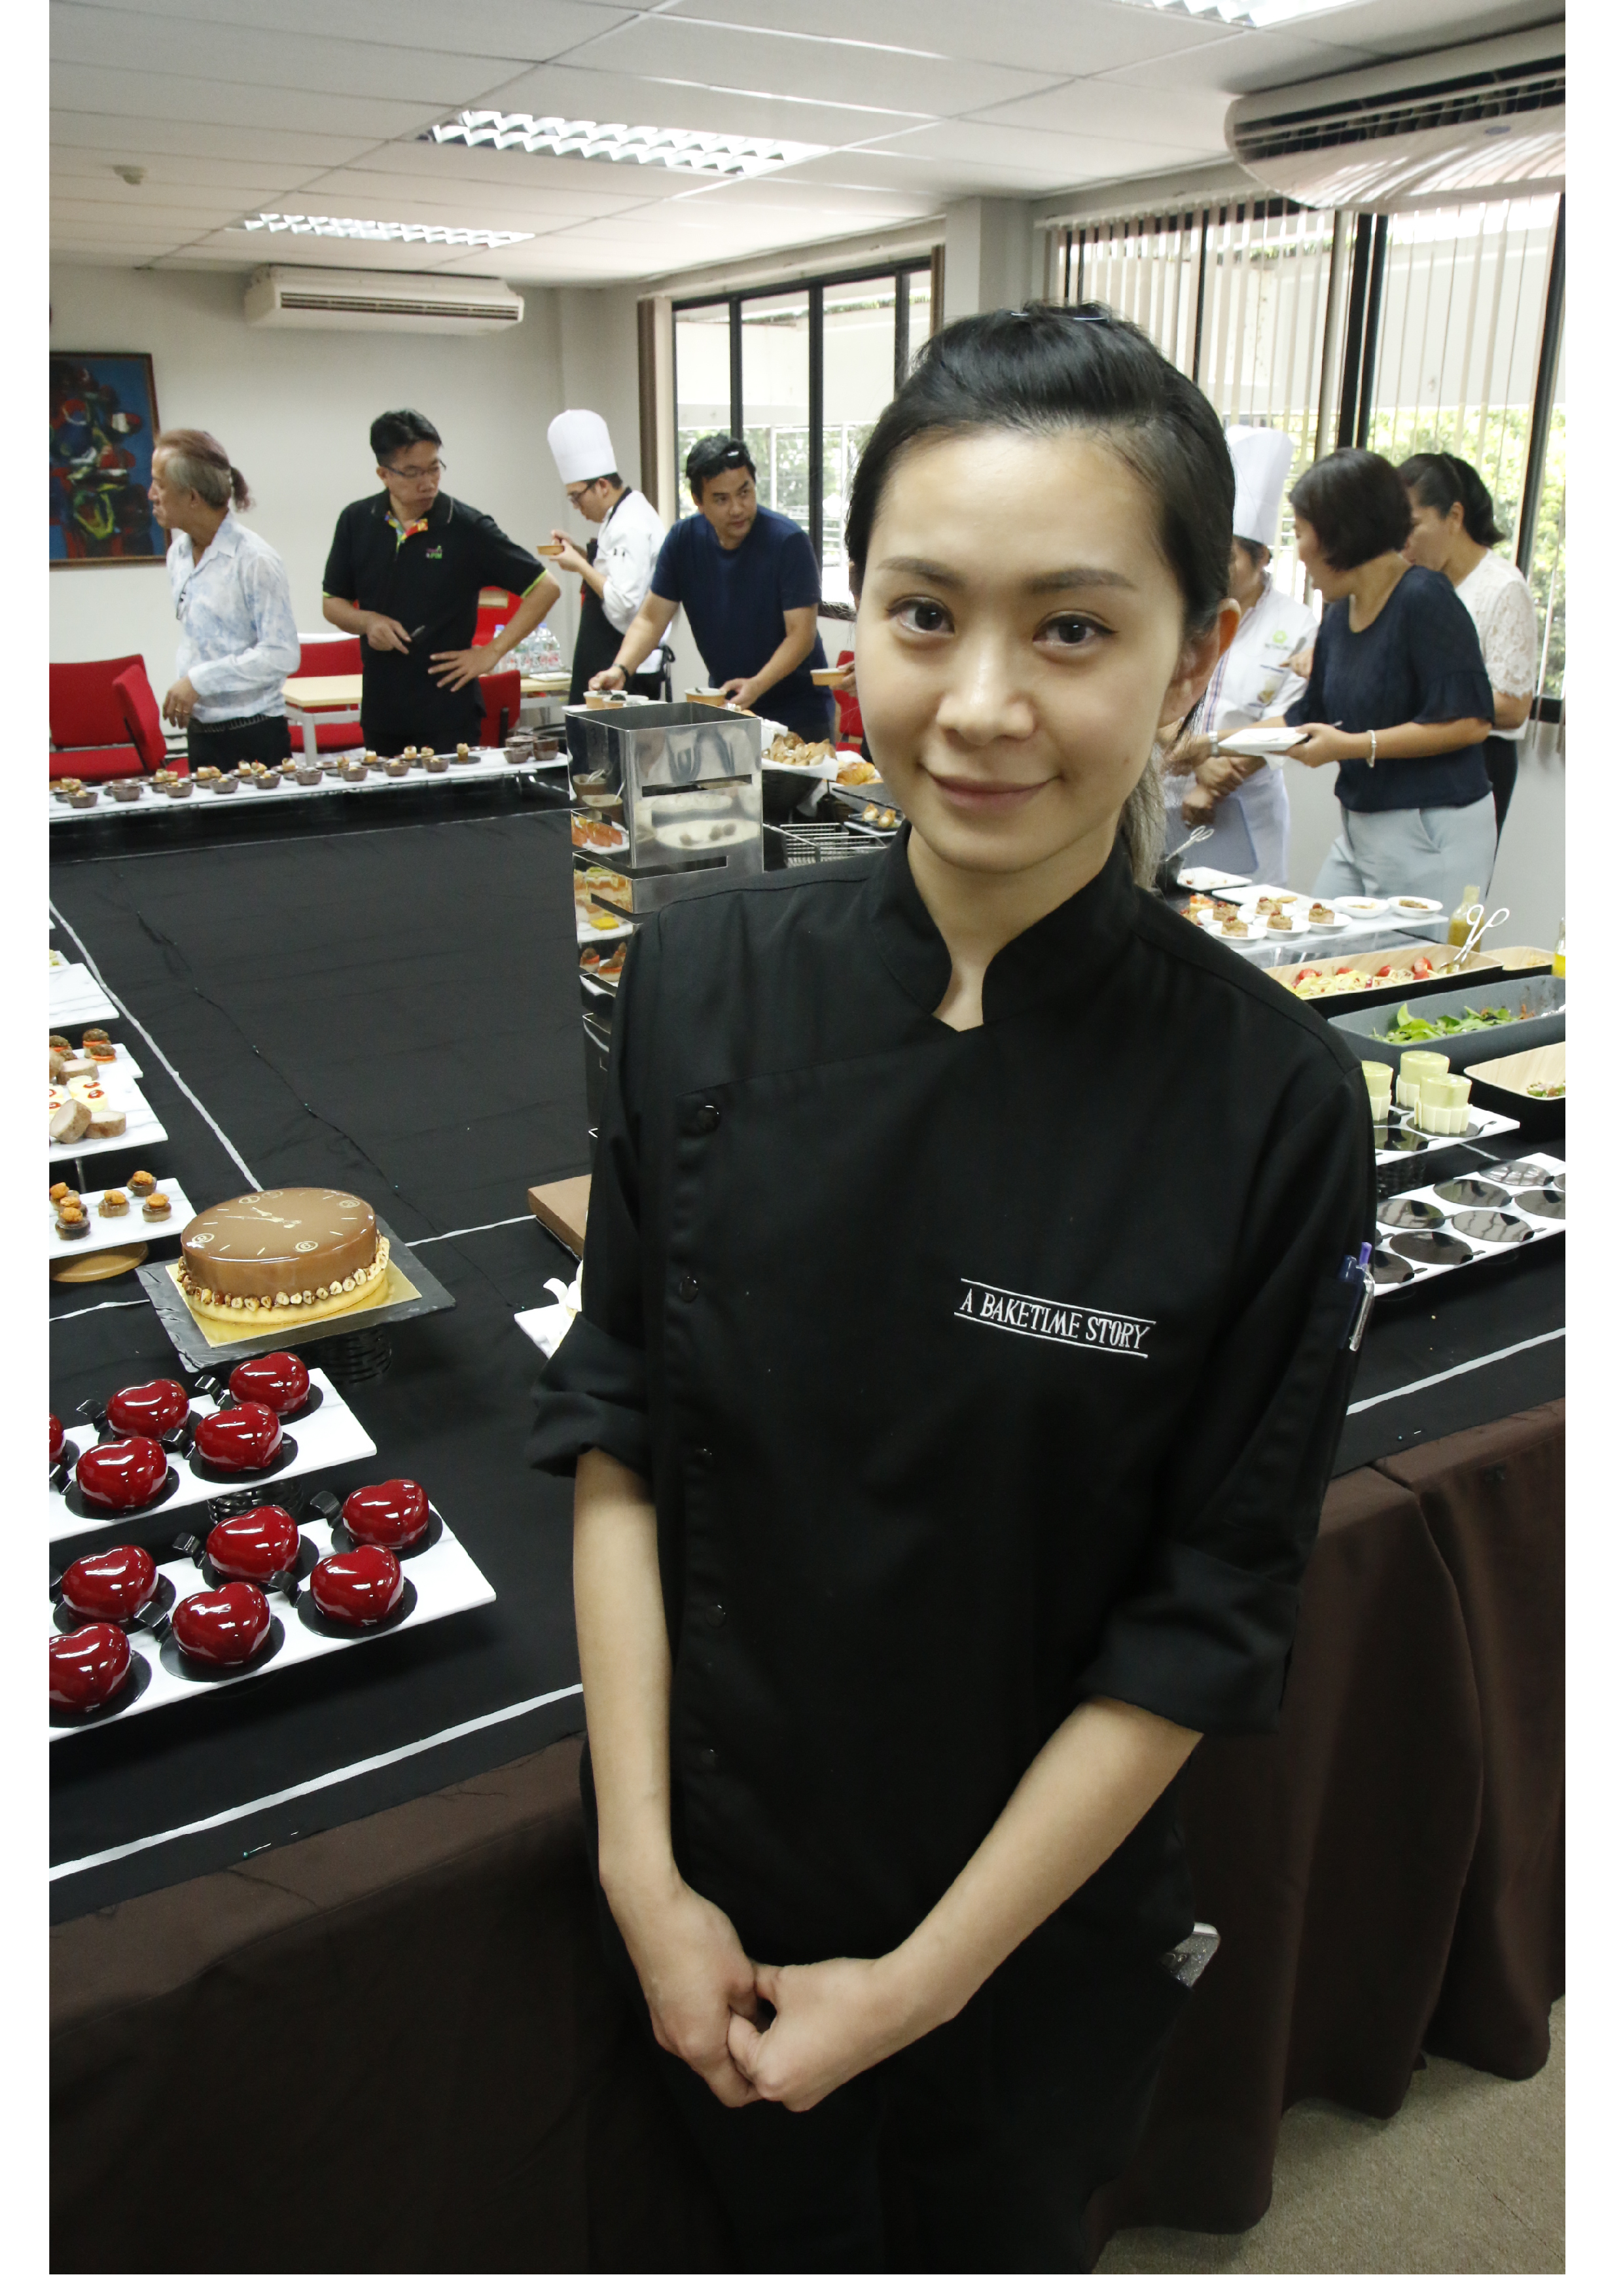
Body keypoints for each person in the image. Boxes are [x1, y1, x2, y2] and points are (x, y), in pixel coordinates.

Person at [530, 302, 1375, 2272]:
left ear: (1193, 649)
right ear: (857, 624)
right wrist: (640, 1867)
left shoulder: (1269, 1099)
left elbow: (1206, 1607)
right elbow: (620, 1422)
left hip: (1021, 1942)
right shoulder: (700, 978)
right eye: (922, 614)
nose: (979, 703)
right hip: (708, 1891)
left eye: (1070, 628)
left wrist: (916, 1983)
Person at [1280, 448, 1495, 906]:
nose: (1297, 554)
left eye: (1299, 534)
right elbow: (1305, 718)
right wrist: (1209, 743)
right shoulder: (1339, 615)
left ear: (1338, 532)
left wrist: (1355, 746)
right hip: (1361, 826)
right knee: (1314, 943)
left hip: (1429, 826)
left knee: (1418, 955)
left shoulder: (1424, 596)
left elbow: (1471, 722)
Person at [321, 409, 559, 756]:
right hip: (382, 712)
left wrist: (490, 654)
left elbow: (546, 587)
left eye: (434, 468)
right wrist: (367, 622)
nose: (428, 483)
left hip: (448, 715)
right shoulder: (357, 521)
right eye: (413, 473)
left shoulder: (465, 527)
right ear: (384, 475)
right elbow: (332, 603)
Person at [588, 434, 831, 740]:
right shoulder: (683, 541)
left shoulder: (787, 541)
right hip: (728, 705)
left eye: (744, 492)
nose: (737, 509)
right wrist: (621, 669)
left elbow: (801, 636)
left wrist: (756, 685)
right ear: (699, 502)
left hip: (798, 711)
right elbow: (651, 619)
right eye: (721, 499)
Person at [1158, 425, 1315, 882]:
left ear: (1262, 556)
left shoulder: (1298, 624)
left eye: (1228, 558)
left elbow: (1290, 719)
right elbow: (1153, 692)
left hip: (1246, 800)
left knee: (1250, 913)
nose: (1214, 568)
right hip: (1169, 786)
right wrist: (1200, 763)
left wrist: (1215, 784)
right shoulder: (1182, 610)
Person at [1400, 452, 1539, 840]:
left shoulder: (1501, 587)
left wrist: (1424, 697)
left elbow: (1513, 706)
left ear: (1455, 517)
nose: (1403, 543)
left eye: (1413, 526)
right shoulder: (1417, 583)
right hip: (1413, 752)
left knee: (1454, 876)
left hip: (1478, 761)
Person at [149, 428, 300, 771]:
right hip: (201, 732)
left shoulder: (255, 560)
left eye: (159, 485)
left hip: (254, 732)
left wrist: (199, 681)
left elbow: (282, 654)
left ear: (192, 497)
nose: (151, 495)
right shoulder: (178, 555)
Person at [544, 409, 668, 707]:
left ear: (601, 486)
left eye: (577, 497)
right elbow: (613, 571)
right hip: (608, 656)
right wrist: (581, 554)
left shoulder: (630, 524)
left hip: (626, 665)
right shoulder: (620, 514)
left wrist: (580, 565)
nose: (576, 506)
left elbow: (623, 602)